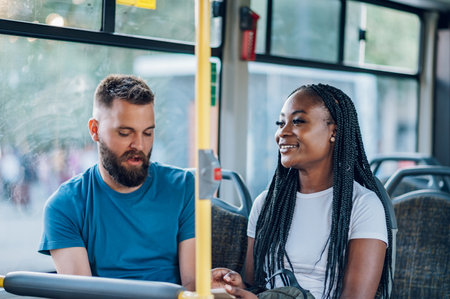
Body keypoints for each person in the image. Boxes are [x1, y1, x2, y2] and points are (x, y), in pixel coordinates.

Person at [212, 84, 393, 298]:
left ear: (333, 132)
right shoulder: (266, 204)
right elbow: (255, 286)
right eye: (281, 123)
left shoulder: (363, 206)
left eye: (297, 121)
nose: (283, 132)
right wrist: (236, 286)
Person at [39, 74, 195, 291]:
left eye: (148, 133)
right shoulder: (65, 206)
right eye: (125, 133)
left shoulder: (184, 187)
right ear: (95, 130)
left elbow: (193, 285)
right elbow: (82, 296)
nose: (139, 145)